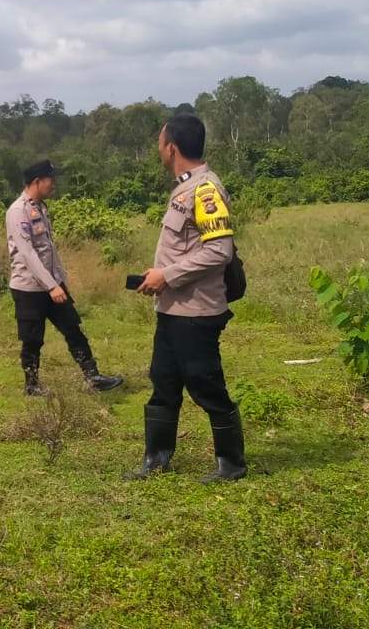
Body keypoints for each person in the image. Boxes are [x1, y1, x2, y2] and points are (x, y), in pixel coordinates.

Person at [126, 114, 247, 483]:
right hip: (173, 309)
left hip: (196, 311)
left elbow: (219, 252)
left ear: (171, 147)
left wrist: (168, 275)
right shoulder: (184, 188)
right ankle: (157, 458)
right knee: (162, 381)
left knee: (205, 383)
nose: (159, 149)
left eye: (160, 142)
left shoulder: (206, 189)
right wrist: (157, 275)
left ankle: (232, 463)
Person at [5, 159, 125, 396]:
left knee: (73, 328)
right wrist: (51, 286)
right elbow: (28, 253)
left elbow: (48, 248)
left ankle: (93, 377)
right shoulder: (17, 211)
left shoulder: (40, 207)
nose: (54, 184)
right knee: (32, 339)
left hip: (52, 285)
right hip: (29, 288)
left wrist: (60, 281)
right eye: (51, 180)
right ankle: (32, 386)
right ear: (37, 182)